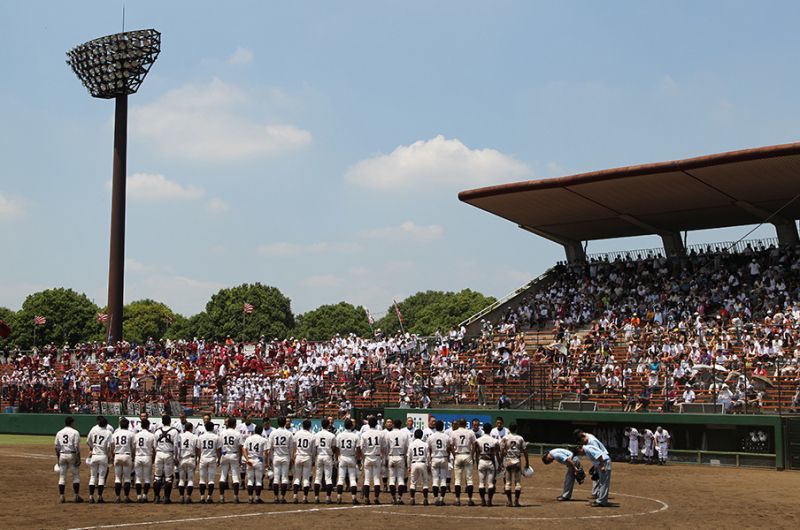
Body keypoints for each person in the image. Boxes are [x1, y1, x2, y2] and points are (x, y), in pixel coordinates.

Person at [55, 416, 83, 503]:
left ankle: (62, 496)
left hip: (62, 454)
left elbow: (56, 447)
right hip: (72, 454)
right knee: (75, 476)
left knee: (62, 476)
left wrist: (58, 458)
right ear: (71, 423)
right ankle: (76, 496)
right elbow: (76, 447)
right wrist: (78, 458)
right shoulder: (75, 432)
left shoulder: (59, 432)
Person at [449, 418, 477, 506]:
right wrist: (472, 454)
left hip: (458, 455)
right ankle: (469, 500)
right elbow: (474, 444)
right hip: (467, 454)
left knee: (457, 480)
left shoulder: (454, 432)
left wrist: (454, 454)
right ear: (466, 424)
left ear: (459, 424)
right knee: (469, 479)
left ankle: (457, 500)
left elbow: (450, 445)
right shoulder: (470, 432)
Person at [153, 414, 179, 504]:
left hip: (159, 453)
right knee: (168, 478)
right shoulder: (174, 431)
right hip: (169, 454)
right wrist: (176, 457)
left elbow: (154, 445)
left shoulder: (157, 431)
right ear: (170, 421)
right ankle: (166, 498)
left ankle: (156, 497)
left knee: (157, 477)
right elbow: (176, 446)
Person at [501, 424, 528, 507]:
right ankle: (516, 501)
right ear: (516, 429)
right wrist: (527, 462)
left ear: (509, 429)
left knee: (508, 483)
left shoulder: (505, 438)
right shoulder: (520, 438)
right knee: (518, 483)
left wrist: (501, 461)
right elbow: (525, 450)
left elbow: (502, 450)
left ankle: (509, 501)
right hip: (517, 461)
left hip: (508, 461)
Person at [574, 429, 607, 499]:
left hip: (602, 459)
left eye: (581, 440)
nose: (582, 443)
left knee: (599, 477)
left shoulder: (592, 441)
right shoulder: (587, 437)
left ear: (582, 436)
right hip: (599, 460)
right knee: (596, 476)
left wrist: (598, 466)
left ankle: (599, 495)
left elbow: (599, 454)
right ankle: (596, 493)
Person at [268, 415, 294, 503]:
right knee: (284, 478)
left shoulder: (273, 433)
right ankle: (282, 497)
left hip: (276, 456)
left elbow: (270, 447)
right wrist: (291, 459)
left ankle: (275, 497)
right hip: (285, 456)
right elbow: (291, 448)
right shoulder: (289, 433)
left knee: (276, 478)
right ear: (284, 423)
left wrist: (270, 458)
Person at [335, 418, 361, 504]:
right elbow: (358, 449)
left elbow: (337, 449)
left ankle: (339, 497)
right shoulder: (355, 436)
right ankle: (353, 498)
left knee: (341, 478)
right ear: (351, 425)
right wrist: (358, 459)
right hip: (351, 457)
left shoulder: (339, 435)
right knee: (352, 479)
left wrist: (338, 457)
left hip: (342, 457)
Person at [360, 416, 385, 504]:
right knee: (376, 479)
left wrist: (363, 456)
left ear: (368, 424)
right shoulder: (380, 434)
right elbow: (383, 446)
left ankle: (366, 498)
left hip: (367, 456)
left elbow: (361, 447)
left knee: (367, 479)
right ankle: (376, 498)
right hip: (377, 456)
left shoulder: (364, 434)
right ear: (376, 424)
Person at [87, 416, 113, 503]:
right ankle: (100, 497)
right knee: (101, 478)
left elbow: (88, 441)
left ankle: (91, 497)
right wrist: (110, 456)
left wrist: (92, 447)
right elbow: (109, 446)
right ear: (106, 424)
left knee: (93, 476)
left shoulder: (93, 430)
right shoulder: (108, 432)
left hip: (94, 455)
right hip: (103, 456)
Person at [384, 418, 408, 504]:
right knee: (401, 479)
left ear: (393, 425)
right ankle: (399, 498)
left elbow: (386, 447)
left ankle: (393, 497)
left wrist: (386, 458)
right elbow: (406, 447)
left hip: (391, 457)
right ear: (401, 425)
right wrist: (405, 458)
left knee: (392, 479)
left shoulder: (389, 434)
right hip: (400, 457)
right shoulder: (404, 434)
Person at [110, 417, 134, 503]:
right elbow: (133, 446)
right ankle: (126, 497)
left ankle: (117, 497)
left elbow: (111, 446)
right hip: (127, 455)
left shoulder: (115, 434)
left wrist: (112, 455)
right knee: (127, 478)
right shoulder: (131, 434)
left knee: (117, 478)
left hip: (117, 455)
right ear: (128, 425)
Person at [313, 418, 337, 504]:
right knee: (328, 478)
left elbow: (315, 447)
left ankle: (316, 497)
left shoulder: (316, 435)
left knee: (318, 478)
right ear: (328, 425)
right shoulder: (332, 435)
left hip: (319, 456)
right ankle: (328, 497)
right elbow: (334, 448)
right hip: (327, 456)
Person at [219, 416, 242, 503]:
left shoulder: (222, 433)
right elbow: (240, 447)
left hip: (224, 454)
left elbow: (220, 445)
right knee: (235, 476)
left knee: (223, 476)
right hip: (234, 454)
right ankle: (235, 497)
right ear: (235, 424)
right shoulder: (237, 433)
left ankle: (221, 497)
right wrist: (239, 458)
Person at [475, 422, 499, 506]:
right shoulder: (494, 440)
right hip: (490, 461)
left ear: (483, 429)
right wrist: (497, 464)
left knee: (481, 483)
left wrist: (477, 463)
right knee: (490, 483)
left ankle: (482, 500)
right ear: (491, 430)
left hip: (481, 460)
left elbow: (477, 452)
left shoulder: (478, 440)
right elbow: (495, 454)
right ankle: (489, 500)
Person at [292, 419, 315, 503]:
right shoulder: (312, 435)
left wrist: (294, 455)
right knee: (306, 479)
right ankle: (305, 497)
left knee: (297, 478)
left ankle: (295, 496)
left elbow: (294, 446)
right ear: (309, 426)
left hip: (298, 456)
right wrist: (313, 460)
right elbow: (313, 450)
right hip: (307, 457)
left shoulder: (297, 434)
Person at [197, 421, 221, 504]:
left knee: (202, 480)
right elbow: (218, 450)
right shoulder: (216, 437)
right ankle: (209, 497)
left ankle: (202, 497)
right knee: (211, 480)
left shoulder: (201, 437)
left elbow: (199, 449)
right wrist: (219, 458)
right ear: (213, 428)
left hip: (203, 458)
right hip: (212, 458)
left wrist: (199, 458)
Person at [243, 424, 267, 504]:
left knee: (250, 480)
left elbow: (244, 449)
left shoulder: (248, 438)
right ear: (261, 431)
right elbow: (265, 453)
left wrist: (247, 459)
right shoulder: (263, 440)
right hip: (258, 460)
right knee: (258, 481)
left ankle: (250, 497)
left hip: (250, 460)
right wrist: (266, 462)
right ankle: (257, 498)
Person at [427, 420, 450, 506]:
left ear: (436, 427)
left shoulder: (431, 437)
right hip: (444, 458)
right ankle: (442, 499)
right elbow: (448, 448)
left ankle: (436, 498)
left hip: (434, 458)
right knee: (443, 479)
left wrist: (429, 460)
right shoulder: (446, 437)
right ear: (443, 427)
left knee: (435, 480)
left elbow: (429, 449)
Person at [133, 418, 155, 503]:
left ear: (141, 426)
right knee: (147, 478)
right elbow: (154, 448)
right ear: (148, 426)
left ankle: (138, 496)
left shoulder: (136, 435)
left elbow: (134, 447)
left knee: (138, 478)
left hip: (138, 456)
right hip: (147, 457)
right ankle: (145, 495)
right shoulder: (151, 435)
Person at [407, 429, 430, 506]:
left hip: (414, 463)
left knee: (413, 482)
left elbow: (409, 456)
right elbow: (428, 456)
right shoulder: (425, 444)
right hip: (422, 463)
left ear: (414, 435)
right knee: (425, 482)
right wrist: (428, 465)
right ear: (422, 436)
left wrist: (408, 466)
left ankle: (412, 498)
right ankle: (425, 499)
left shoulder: (411, 444)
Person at [177, 422, 198, 503]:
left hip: (182, 458)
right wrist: (197, 459)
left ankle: (181, 496)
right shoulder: (195, 436)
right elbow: (197, 449)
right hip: (191, 458)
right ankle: (188, 496)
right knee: (190, 480)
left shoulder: (180, 436)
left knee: (181, 480)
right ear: (191, 428)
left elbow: (177, 447)